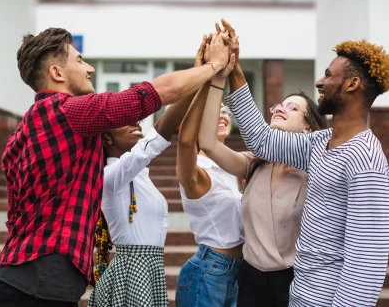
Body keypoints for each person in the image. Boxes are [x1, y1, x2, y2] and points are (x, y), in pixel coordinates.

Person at [0, 28, 230, 307]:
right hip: (44, 282)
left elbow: (14, 219)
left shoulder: (19, 136)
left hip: (17, 272)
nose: (90, 68)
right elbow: (147, 96)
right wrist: (213, 66)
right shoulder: (68, 111)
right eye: (80, 60)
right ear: (57, 73)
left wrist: (199, 74)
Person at [225, 37, 389, 307]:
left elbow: (366, 262)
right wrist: (234, 69)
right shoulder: (320, 142)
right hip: (298, 295)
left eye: (328, 75)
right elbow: (261, 141)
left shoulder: (365, 160)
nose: (319, 83)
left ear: (352, 84)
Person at [198, 20, 327, 307]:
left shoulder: (317, 171)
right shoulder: (255, 164)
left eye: (293, 107)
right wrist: (218, 77)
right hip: (250, 282)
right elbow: (207, 142)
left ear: (309, 128)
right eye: (278, 105)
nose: (281, 107)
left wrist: (235, 68)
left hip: (293, 283)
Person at [87, 37, 208, 307]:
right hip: (130, 274)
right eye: (123, 120)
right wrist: (198, 76)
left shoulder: (138, 174)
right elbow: (156, 139)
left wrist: (198, 79)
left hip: (149, 268)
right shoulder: (110, 176)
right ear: (106, 139)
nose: (136, 121)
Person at [175, 36, 244, 307]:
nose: (222, 114)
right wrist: (208, 76)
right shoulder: (197, 168)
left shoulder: (231, 166)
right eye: (215, 111)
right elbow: (184, 141)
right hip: (209, 272)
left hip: (237, 271)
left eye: (225, 111)